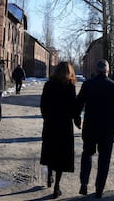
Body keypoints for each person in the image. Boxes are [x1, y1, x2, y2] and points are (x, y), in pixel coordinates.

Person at [75, 59, 114, 199]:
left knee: (87, 154)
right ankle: (99, 189)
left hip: (90, 126)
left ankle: (84, 182)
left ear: (96, 71)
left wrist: (77, 118)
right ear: (108, 71)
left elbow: (79, 103)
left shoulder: (88, 84)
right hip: (107, 129)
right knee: (104, 159)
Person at [40, 61, 82, 199]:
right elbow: (73, 107)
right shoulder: (70, 86)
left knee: (50, 150)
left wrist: (47, 117)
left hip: (51, 124)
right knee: (61, 155)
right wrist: (76, 119)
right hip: (64, 126)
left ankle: (49, 174)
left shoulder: (48, 85)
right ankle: (57, 185)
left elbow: (43, 105)